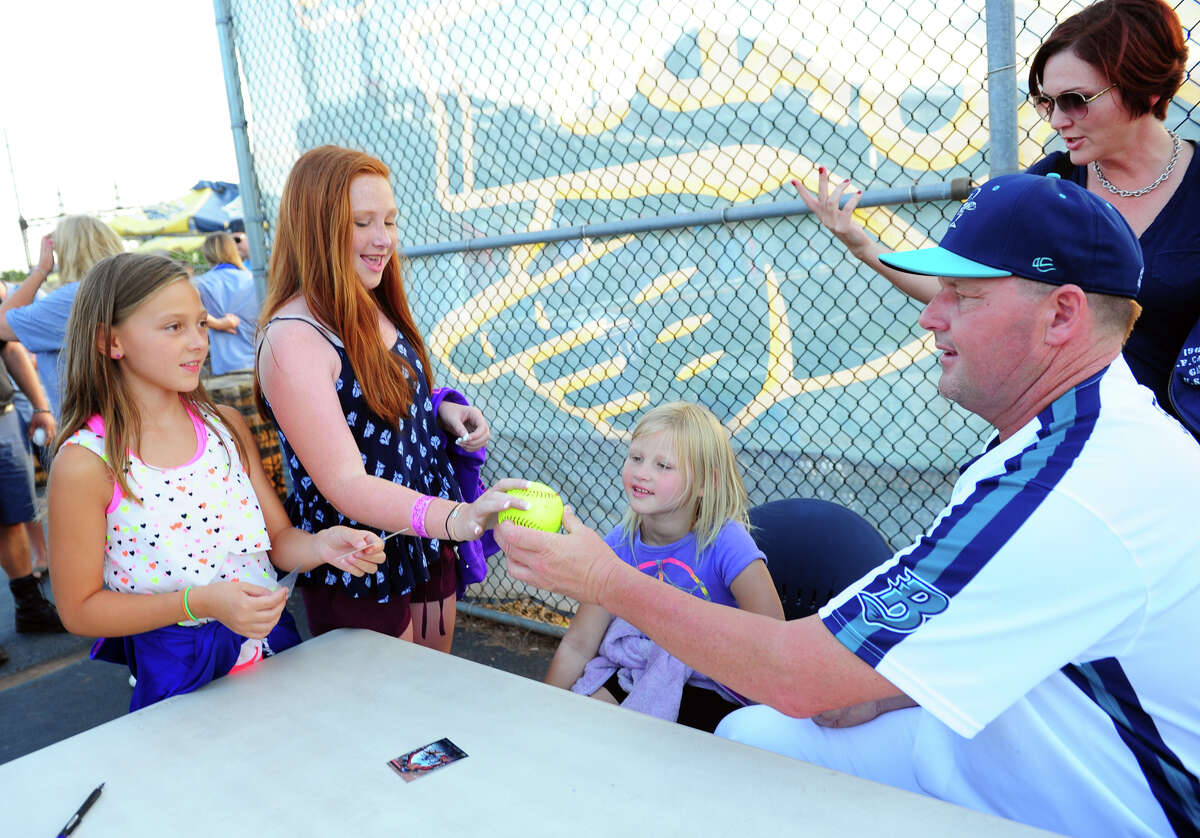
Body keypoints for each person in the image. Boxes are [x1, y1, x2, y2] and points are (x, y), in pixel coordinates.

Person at [499, 173, 1200, 836]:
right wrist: (891, 687)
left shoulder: (1074, 488)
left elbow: (797, 676)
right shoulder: (1074, 436)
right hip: (998, 744)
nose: (930, 316)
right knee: (748, 735)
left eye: (964, 293)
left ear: (1062, 313)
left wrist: (600, 577)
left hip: (1105, 810)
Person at [797, 0, 1196, 430]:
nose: (1058, 120)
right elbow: (958, 291)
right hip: (1067, 436)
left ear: (1148, 89)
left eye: (1076, 100)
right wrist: (860, 243)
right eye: (1048, 103)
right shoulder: (1048, 190)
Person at [48, 252, 386, 711]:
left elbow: (278, 540)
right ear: (111, 341)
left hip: (272, 653)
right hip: (178, 677)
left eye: (202, 324)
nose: (199, 343)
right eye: (174, 327)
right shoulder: (86, 463)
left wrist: (323, 547)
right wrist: (201, 603)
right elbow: (79, 609)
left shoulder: (225, 426)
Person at [255, 145, 527, 653]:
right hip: (362, 558)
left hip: (422, 538)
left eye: (390, 220)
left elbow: (383, 404)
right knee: (387, 722)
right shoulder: (293, 338)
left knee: (432, 699)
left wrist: (440, 411)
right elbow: (344, 482)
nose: (383, 240)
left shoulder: (373, 302)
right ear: (316, 228)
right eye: (362, 222)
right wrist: (456, 518)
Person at [544, 402, 783, 732]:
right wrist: (543, 707)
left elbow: (775, 636)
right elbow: (579, 643)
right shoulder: (620, 543)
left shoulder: (727, 541)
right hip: (639, 671)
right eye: (636, 458)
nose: (643, 472)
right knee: (577, 727)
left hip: (714, 685)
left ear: (705, 483)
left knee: (659, 752)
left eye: (663, 465)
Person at [0, 215, 126, 418]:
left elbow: (2, 324)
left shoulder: (74, 297)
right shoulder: (128, 288)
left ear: (69, 252)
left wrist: (41, 270)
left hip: (91, 428)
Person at [0, 334, 64, 665]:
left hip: (3, 415)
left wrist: (40, 406)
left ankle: (30, 607)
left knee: (13, 517)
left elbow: (8, 345)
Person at [194, 232, 258, 375]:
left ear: (207, 255)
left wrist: (217, 323)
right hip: (258, 361)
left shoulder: (200, 284)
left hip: (224, 365)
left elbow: (186, 309)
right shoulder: (254, 281)